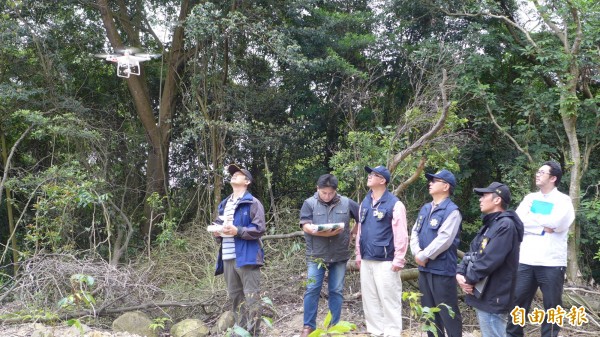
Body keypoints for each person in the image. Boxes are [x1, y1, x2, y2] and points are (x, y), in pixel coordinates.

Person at [506, 161, 575, 337]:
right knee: (517, 303)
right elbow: (518, 222)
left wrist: (534, 221)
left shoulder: (563, 201)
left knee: (552, 306)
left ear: (553, 178)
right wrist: (542, 227)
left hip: (551, 262)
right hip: (526, 260)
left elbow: (557, 223)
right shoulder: (530, 198)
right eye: (538, 171)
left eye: (542, 172)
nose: (537, 174)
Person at [456, 182, 524, 337]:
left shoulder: (505, 225)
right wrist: (460, 273)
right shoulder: (489, 225)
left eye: (484, 195)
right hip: (483, 293)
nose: (480, 199)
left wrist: (468, 279)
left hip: (495, 295)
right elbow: (471, 252)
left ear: (497, 200)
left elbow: (488, 260)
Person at [298, 174, 360, 337]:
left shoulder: (346, 202)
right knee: (312, 289)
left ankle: (334, 326)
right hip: (316, 256)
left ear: (335, 191)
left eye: (330, 193)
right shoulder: (309, 203)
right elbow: (305, 225)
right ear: (317, 189)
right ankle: (308, 326)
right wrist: (312, 229)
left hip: (339, 254)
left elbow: (363, 216)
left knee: (337, 290)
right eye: (323, 193)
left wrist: (354, 232)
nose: (327, 196)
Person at [355, 165, 408, 336]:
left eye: (374, 174)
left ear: (383, 180)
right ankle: (375, 331)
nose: (369, 176)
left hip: (387, 261)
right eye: (369, 174)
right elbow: (360, 232)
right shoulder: (364, 202)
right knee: (370, 299)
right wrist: (358, 254)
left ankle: (392, 332)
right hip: (366, 258)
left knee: (389, 299)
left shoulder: (395, 204)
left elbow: (401, 234)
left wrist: (399, 258)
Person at [213, 164, 266, 336]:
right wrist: (217, 232)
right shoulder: (224, 204)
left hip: (248, 257)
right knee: (236, 298)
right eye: (233, 174)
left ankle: (254, 333)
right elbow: (220, 227)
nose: (235, 175)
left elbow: (259, 229)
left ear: (247, 181)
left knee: (251, 298)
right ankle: (241, 332)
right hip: (227, 257)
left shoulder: (253, 203)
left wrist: (238, 231)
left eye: (239, 174)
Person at [410, 169, 462, 337]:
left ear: (446, 186)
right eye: (430, 180)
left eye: (434, 181)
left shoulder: (452, 211)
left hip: (442, 269)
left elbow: (444, 239)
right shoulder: (425, 208)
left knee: (448, 313)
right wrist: (417, 253)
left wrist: (424, 255)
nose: (430, 183)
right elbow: (415, 232)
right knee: (429, 313)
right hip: (424, 269)